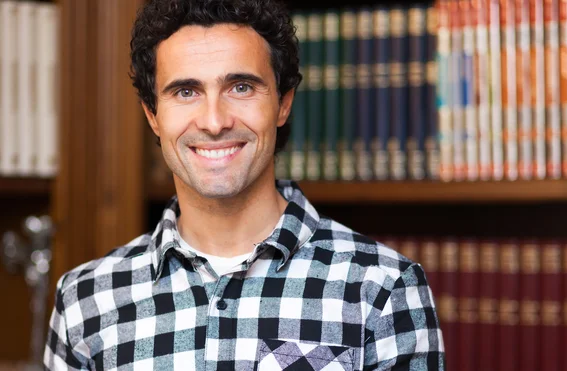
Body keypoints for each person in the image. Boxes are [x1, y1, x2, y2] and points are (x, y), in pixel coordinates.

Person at [44, 0, 444, 369]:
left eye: (241, 87)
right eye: (186, 91)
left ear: (283, 102)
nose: (214, 121)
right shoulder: (85, 301)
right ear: (152, 115)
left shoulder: (381, 290)